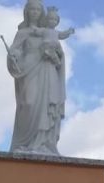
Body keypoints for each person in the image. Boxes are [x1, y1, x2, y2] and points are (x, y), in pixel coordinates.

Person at [6, 0, 68, 155]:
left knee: (47, 106)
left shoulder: (47, 32)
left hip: (47, 71)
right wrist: (14, 55)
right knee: (29, 102)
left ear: (42, 13)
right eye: (31, 9)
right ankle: (26, 143)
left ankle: (42, 144)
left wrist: (56, 56)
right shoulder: (22, 33)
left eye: (37, 9)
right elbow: (15, 51)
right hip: (28, 70)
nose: (34, 12)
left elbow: (59, 54)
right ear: (26, 12)